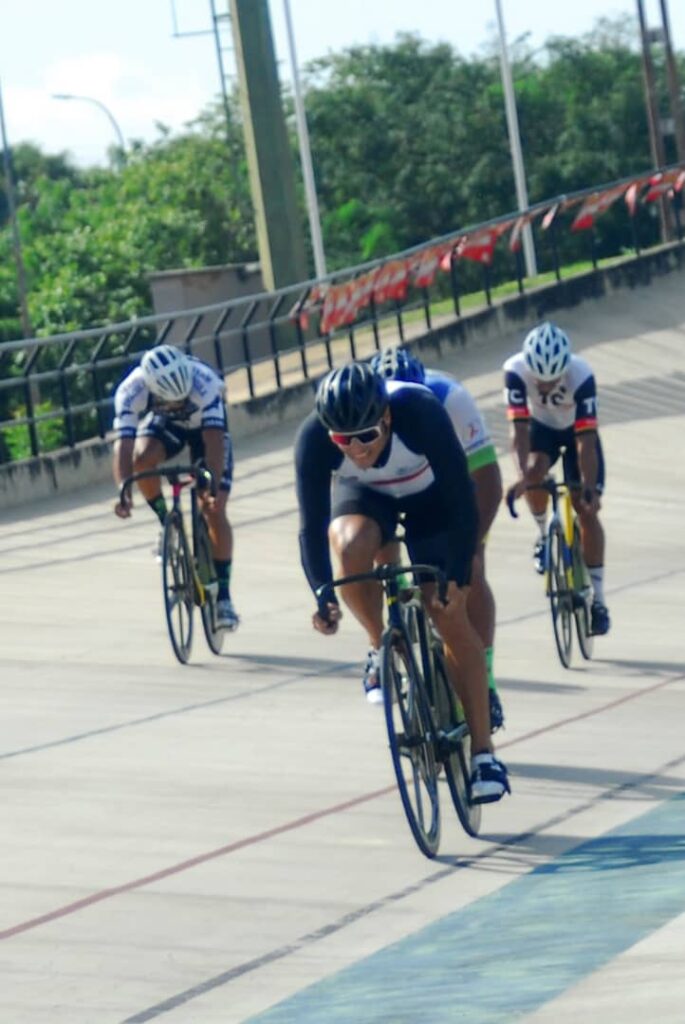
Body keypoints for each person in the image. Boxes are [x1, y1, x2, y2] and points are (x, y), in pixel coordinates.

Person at [294, 360, 510, 804]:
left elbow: (462, 500)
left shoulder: (421, 410)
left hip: (432, 499)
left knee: (448, 614)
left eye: (367, 437)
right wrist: (321, 592)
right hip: (368, 499)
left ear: (387, 418)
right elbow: (311, 525)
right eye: (343, 440)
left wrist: (456, 578)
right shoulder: (313, 438)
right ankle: (380, 645)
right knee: (349, 547)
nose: (355, 449)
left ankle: (485, 755)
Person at [371, 345, 505, 732]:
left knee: (473, 574)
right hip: (387, 486)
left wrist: (469, 548)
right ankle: (395, 611)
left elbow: (487, 483)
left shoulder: (451, 399)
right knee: (379, 542)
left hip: (445, 492)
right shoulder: (360, 410)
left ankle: (488, 684)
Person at [111, 343, 239, 631]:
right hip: (166, 426)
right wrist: (123, 489)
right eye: (172, 401)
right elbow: (124, 444)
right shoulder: (130, 391)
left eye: (182, 400)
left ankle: (225, 599)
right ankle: (165, 522)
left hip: (206, 430)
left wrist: (213, 487)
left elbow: (214, 441)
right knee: (142, 461)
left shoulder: (206, 383)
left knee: (214, 509)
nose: (178, 406)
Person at [503, 321, 610, 635]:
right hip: (541, 431)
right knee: (534, 472)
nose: (546, 387)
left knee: (586, 509)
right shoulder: (515, 371)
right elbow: (518, 432)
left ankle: (599, 599)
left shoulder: (582, 375)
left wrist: (589, 488)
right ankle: (541, 533)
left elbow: (586, 442)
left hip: (577, 430)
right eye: (541, 380)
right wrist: (522, 477)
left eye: (553, 379)